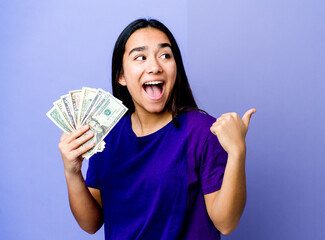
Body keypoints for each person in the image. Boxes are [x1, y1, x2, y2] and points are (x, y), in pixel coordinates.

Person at [58, 18, 256, 240]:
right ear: (121, 76)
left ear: (176, 69)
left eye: (165, 56)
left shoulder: (203, 132)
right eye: (140, 57)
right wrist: (72, 172)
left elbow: (226, 223)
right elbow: (91, 223)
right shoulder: (107, 135)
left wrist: (237, 152)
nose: (154, 67)